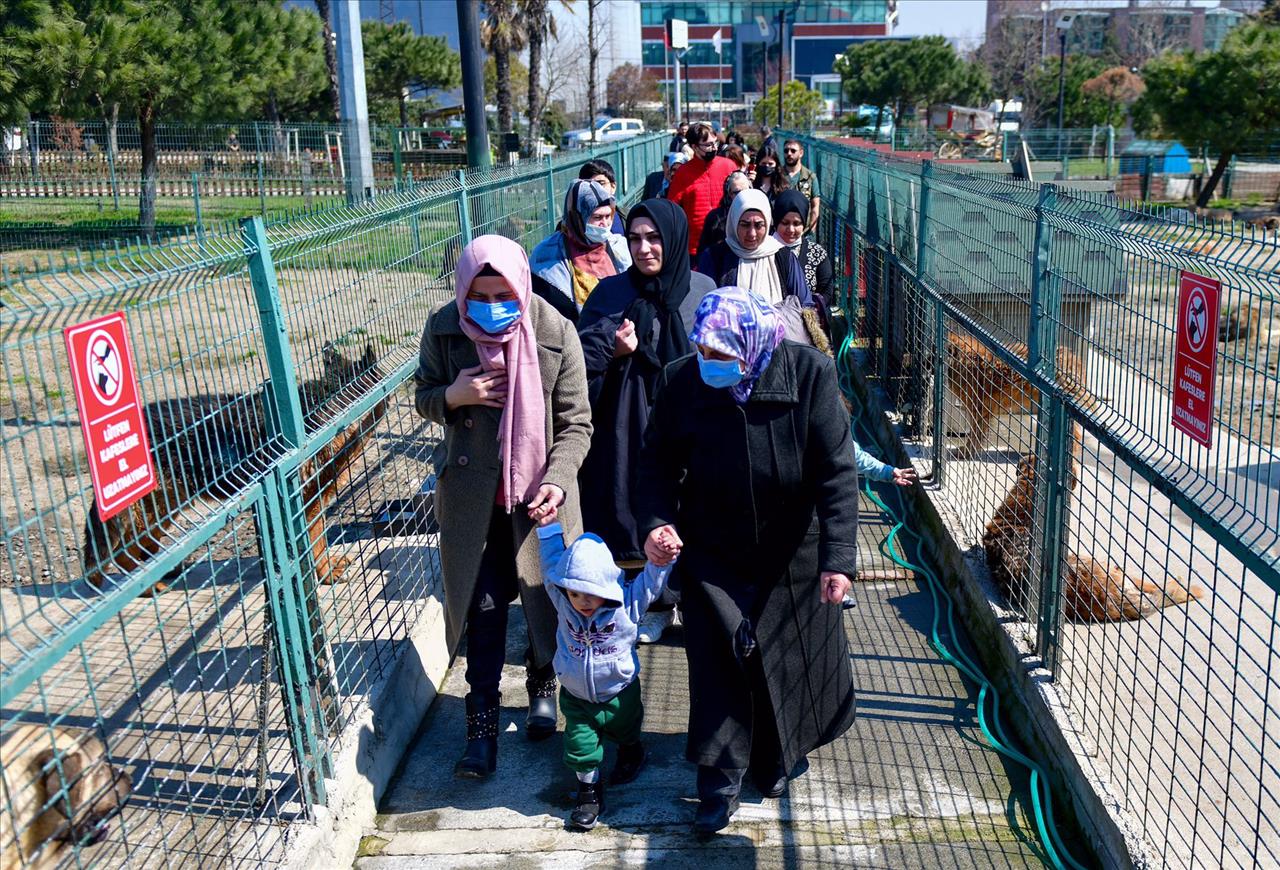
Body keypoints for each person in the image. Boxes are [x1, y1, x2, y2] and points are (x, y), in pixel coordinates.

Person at [634, 286, 860, 836]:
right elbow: (655, 465)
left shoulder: (808, 375)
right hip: (712, 544)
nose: (708, 364)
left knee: (785, 655)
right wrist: (657, 523)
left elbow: (836, 472)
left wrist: (838, 559)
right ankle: (718, 778)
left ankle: (776, 755)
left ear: (753, 346)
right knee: (718, 658)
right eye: (703, 351)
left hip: (791, 547)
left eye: (721, 355)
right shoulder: (682, 382)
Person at [413, 235, 593, 780]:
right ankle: (481, 729)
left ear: (521, 284)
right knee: (484, 611)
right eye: (479, 295)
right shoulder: (445, 328)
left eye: (504, 293)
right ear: (462, 290)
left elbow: (577, 423)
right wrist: (454, 397)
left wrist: (558, 482)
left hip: (538, 499)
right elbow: (423, 394)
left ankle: (543, 685)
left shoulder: (555, 330)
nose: (492, 306)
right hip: (474, 505)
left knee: (543, 602)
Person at [576, 200, 716, 644]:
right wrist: (613, 350)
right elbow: (576, 364)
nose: (644, 248)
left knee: (697, 510)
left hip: (694, 424)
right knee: (639, 513)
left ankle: (685, 598)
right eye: (634, 238)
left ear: (673, 239)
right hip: (629, 427)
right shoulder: (611, 293)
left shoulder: (701, 289)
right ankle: (652, 603)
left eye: (654, 237)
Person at [535, 518, 678, 830]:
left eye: (591, 594)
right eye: (575, 594)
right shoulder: (563, 603)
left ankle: (632, 750)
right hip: (576, 696)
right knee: (580, 745)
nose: (582, 602)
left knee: (625, 729)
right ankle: (589, 791)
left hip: (620, 690)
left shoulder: (627, 604)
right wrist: (547, 530)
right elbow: (550, 569)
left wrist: (663, 555)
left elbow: (651, 583)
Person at [530, 179, 631, 323]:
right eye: (597, 217)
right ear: (577, 218)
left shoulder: (618, 246)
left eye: (608, 216)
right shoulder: (548, 255)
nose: (604, 224)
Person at [696, 188, 810, 306]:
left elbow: (803, 304)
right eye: (745, 225)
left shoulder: (782, 256)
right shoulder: (714, 257)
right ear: (734, 222)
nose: (752, 233)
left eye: (759, 225)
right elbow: (704, 306)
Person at [665, 121, 736, 256]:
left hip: (727, 241)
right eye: (708, 145)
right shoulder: (683, 173)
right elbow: (672, 208)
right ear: (694, 147)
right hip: (694, 247)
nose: (714, 148)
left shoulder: (729, 166)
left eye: (715, 143)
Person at [772, 190, 833, 300]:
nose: (790, 229)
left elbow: (826, 293)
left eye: (796, 224)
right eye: (785, 223)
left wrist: (809, 312)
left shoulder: (816, 253)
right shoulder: (764, 251)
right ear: (776, 221)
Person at [695, 171, 751, 258]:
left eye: (745, 191)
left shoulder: (757, 215)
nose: (741, 195)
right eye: (736, 192)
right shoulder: (715, 217)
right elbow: (703, 250)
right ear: (729, 194)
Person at [782, 140, 820, 231]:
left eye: (793, 151)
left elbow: (815, 205)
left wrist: (812, 229)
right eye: (786, 151)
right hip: (781, 230)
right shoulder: (777, 175)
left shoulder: (810, 177)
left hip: (803, 231)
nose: (789, 154)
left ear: (801, 153)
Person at [579, 159, 626, 234]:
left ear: (613, 187)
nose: (595, 189)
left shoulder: (629, 217)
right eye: (589, 185)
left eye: (601, 183)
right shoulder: (568, 227)